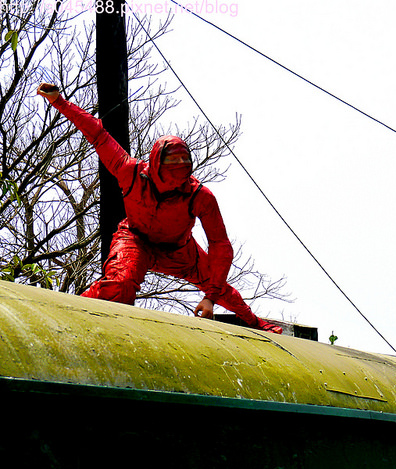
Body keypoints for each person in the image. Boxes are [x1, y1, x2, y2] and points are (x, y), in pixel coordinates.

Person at [37, 83, 282, 334]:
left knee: (219, 287)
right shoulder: (130, 172)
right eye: (173, 161)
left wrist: (210, 297)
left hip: (180, 251)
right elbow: (98, 135)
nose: (180, 167)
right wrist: (59, 102)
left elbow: (220, 245)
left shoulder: (200, 196)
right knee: (120, 284)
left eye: (185, 161)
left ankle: (257, 324)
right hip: (135, 240)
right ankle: (71, 310)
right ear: (156, 162)